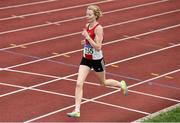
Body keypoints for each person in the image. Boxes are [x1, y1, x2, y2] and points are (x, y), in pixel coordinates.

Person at [67, 5, 128, 118]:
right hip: (86, 59)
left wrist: (88, 38)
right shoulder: (87, 25)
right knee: (79, 83)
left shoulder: (99, 28)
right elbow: (89, 41)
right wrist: (84, 41)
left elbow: (98, 47)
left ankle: (121, 84)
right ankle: (77, 110)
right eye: (86, 14)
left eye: (89, 14)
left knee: (103, 83)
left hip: (97, 60)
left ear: (95, 15)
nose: (87, 16)